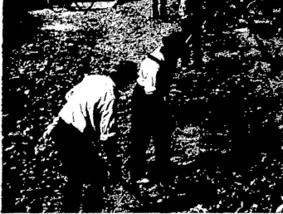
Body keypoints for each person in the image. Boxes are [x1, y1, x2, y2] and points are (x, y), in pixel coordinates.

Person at [45, 61, 137, 212]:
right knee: (96, 176)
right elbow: (107, 135)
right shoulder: (110, 97)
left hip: (60, 129)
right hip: (75, 137)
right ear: (124, 79)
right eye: (129, 81)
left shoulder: (93, 78)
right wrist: (114, 164)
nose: (128, 86)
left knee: (76, 177)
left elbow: (69, 95)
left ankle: (72, 209)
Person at [128, 32, 186, 187]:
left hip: (157, 97)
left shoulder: (170, 56)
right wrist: (164, 109)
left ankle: (163, 168)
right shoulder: (153, 64)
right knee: (142, 136)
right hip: (145, 101)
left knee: (163, 135)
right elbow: (150, 92)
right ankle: (137, 173)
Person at [179, 0, 204, 67]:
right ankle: (185, 62)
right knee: (189, 42)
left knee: (196, 42)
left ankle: (196, 60)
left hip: (191, 21)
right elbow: (185, 13)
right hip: (189, 22)